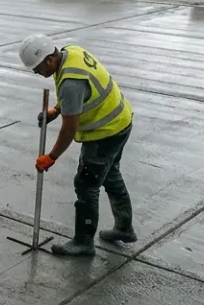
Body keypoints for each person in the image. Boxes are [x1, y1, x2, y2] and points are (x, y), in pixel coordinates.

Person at [19, 35, 136, 257]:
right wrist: (57, 109)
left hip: (105, 132)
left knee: (86, 185)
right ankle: (124, 228)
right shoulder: (70, 52)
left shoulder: (71, 84)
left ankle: (83, 242)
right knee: (111, 175)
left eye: (36, 67)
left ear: (51, 59)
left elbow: (69, 130)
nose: (36, 73)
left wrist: (51, 157)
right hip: (121, 121)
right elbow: (81, 94)